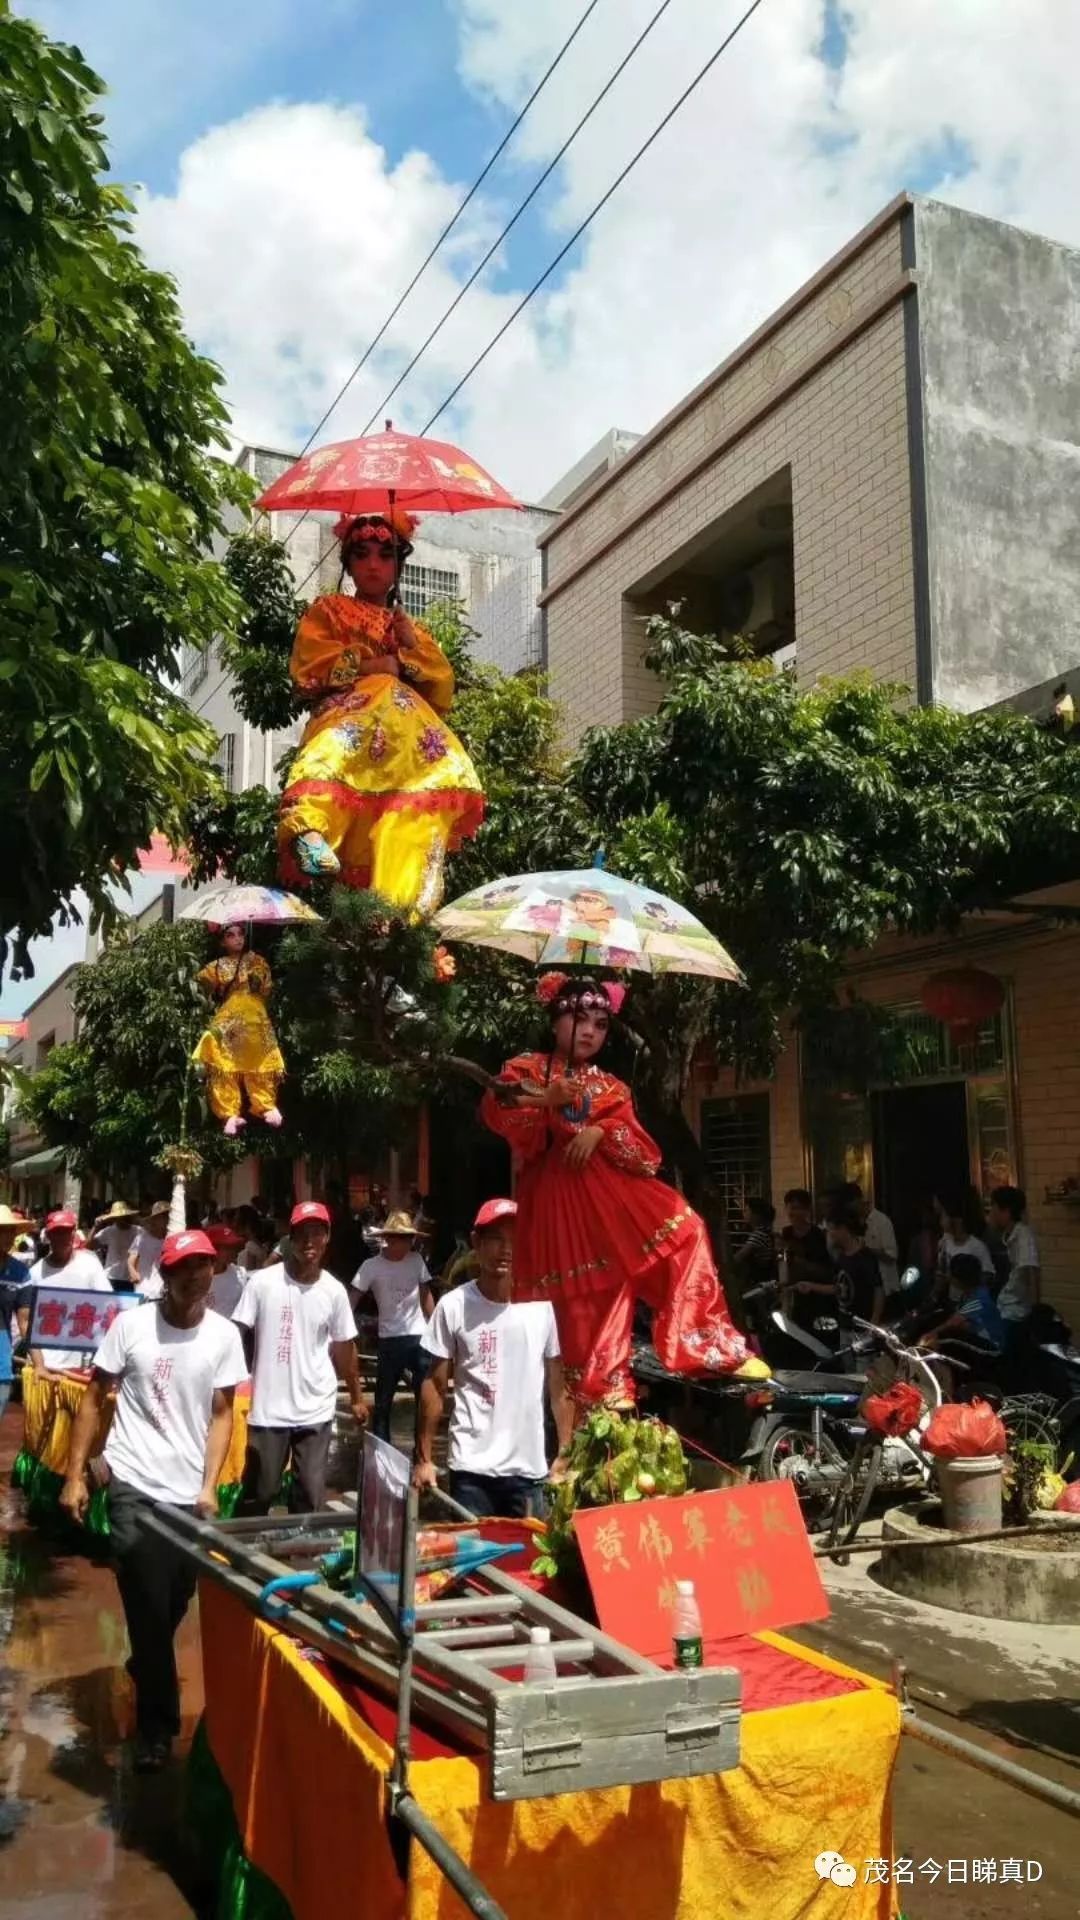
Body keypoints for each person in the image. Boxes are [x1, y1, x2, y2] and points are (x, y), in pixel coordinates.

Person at [480, 975, 759, 1409]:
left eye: (600, 1023)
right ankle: (580, 1439)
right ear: (555, 1024)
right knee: (580, 1317)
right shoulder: (528, 1070)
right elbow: (498, 1109)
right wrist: (546, 1099)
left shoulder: (611, 1087)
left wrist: (600, 1130)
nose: (589, 1031)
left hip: (613, 1210)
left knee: (688, 1231)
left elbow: (645, 1157)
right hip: (558, 1211)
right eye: (578, 1019)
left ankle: (705, 1342)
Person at [59, 1229, 247, 1771]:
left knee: (174, 1598)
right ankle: (156, 1731)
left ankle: (148, 1659)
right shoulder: (132, 1326)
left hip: (187, 1491)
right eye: (185, 1267)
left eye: (205, 1266)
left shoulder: (224, 1337)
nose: (196, 1276)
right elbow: (94, 1397)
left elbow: (221, 1414)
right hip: (133, 1484)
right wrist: (76, 1475)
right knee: (144, 1595)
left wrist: (209, 1485)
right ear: (164, 1275)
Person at [277, 509, 484, 915]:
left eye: (385, 555)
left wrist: (411, 649)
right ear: (349, 564)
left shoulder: (409, 627)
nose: (373, 564)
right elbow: (310, 666)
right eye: (363, 554)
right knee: (332, 757)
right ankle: (310, 830)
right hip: (352, 715)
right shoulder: (329, 610)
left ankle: (400, 907)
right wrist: (374, 666)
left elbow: (441, 687)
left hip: (404, 738)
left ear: (398, 565)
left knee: (419, 796)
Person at [414, 1199, 573, 1518]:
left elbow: (558, 1387)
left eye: (514, 1241)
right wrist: (424, 1458)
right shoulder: (454, 1305)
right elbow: (435, 1383)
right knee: (475, 1565)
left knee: (526, 1566)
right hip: (471, 1472)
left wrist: (565, 1453)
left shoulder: (541, 1307)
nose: (505, 1250)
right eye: (496, 1240)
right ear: (476, 1243)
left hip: (528, 1473)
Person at [233, 1201, 367, 1514]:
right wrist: (232, 1383)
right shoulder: (262, 1283)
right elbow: (236, 1333)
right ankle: (247, 1552)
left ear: (327, 1237)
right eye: (302, 1233)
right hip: (269, 1406)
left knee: (309, 1492)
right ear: (290, 1238)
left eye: (317, 1233)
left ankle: (300, 1555)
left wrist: (358, 1397)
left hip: (315, 1406)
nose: (310, 1241)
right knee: (262, 1490)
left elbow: (344, 1346)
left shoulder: (333, 1291)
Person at [192, 924, 284, 1137]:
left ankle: (266, 1105)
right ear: (223, 942)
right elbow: (199, 986)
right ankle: (229, 1113)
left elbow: (267, 988)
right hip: (230, 1017)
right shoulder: (217, 966)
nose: (238, 938)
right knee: (222, 1060)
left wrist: (257, 979)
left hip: (255, 1017)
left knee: (261, 1060)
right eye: (231, 935)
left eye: (241, 933)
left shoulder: (257, 961)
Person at [349, 1211, 434, 1442]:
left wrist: (436, 1327)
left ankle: (422, 1454)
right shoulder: (371, 1266)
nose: (406, 1244)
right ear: (389, 1239)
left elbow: (426, 1296)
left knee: (425, 1398)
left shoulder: (416, 1260)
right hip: (390, 1338)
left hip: (419, 1336)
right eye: (400, 1238)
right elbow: (352, 1299)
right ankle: (381, 1452)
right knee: (383, 1400)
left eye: (409, 1239)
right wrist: (345, 1328)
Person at [28, 1210, 111, 1371]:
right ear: (48, 1236)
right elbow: (27, 1321)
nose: (62, 1238)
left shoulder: (90, 1265)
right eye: (57, 1233)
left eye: (66, 1232)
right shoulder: (35, 1273)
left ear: (73, 1233)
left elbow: (108, 1306)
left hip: (78, 1365)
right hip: (43, 1365)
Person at [921, 1251, 1005, 1359]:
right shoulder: (972, 1293)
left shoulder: (979, 1299)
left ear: (958, 1279)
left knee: (941, 1340)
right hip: (978, 1336)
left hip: (991, 1348)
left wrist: (929, 1335)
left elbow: (952, 1323)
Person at [987, 1184, 1040, 1342]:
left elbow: (1031, 1272)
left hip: (1015, 1311)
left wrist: (1035, 1315)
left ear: (1006, 1212)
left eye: (994, 1209)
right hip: (1007, 1306)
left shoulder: (1023, 1234)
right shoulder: (1010, 1235)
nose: (991, 1214)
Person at [780, 1189, 837, 1333]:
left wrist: (802, 1264)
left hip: (818, 1298)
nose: (792, 1212)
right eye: (790, 1207)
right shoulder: (785, 1234)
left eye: (797, 1208)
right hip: (794, 1298)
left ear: (807, 1210)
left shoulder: (819, 1236)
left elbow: (828, 1272)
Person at [825, 1205, 884, 1325]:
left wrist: (875, 1318)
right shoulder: (841, 1256)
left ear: (843, 1229)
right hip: (844, 1323)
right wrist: (810, 1286)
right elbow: (837, 1288)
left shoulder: (865, 1257)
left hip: (863, 1325)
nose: (830, 1234)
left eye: (831, 1229)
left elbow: (878, 1289)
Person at [0, 1206, 32, 1418]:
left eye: (12, 1230)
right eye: (3, 1230)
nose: (8, 1236)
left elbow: (25, 1323)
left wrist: (35, 1356)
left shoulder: (21, 1273)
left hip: (2, 1361)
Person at [934, 1197, 996, 1285]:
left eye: (943, 1216)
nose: (940, 1220)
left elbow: (989, 1275)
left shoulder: (977, 1246)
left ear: (956, 1219)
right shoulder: (944, 1243)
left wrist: (966, 1282)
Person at [92, 1200, 139, 1291]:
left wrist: (140, 1221)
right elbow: (89, 1246)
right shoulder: (109, 1231)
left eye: (123, 1217)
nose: (120, 1219)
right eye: (117, 1217)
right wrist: (96, 1227)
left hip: (131, 1278)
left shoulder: (139, 1231)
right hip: (111, 1277)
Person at [127, 1200, 170, 1296]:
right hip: (143, 1288)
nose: (166, 1219)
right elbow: (131, 1259)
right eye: (163, 1216)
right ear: (155, 1219)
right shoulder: (142, 1238)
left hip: (163, 1290)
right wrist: (132, 1271)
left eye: (167, 1216)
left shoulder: (171, 1239)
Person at [205, 1223, 249, 1319]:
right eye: (228, 1248)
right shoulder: (198, 1279)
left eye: (234, 1246)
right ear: (213, 1249)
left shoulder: (240, 1274)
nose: (234, 1251)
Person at [732, 1197, 778, 1288]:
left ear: (756, 1215)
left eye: (746, 1210)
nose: (743, 1213)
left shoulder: (758, 1236)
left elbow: (738, 1258)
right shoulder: (766, 1232)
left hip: (759, 1284)